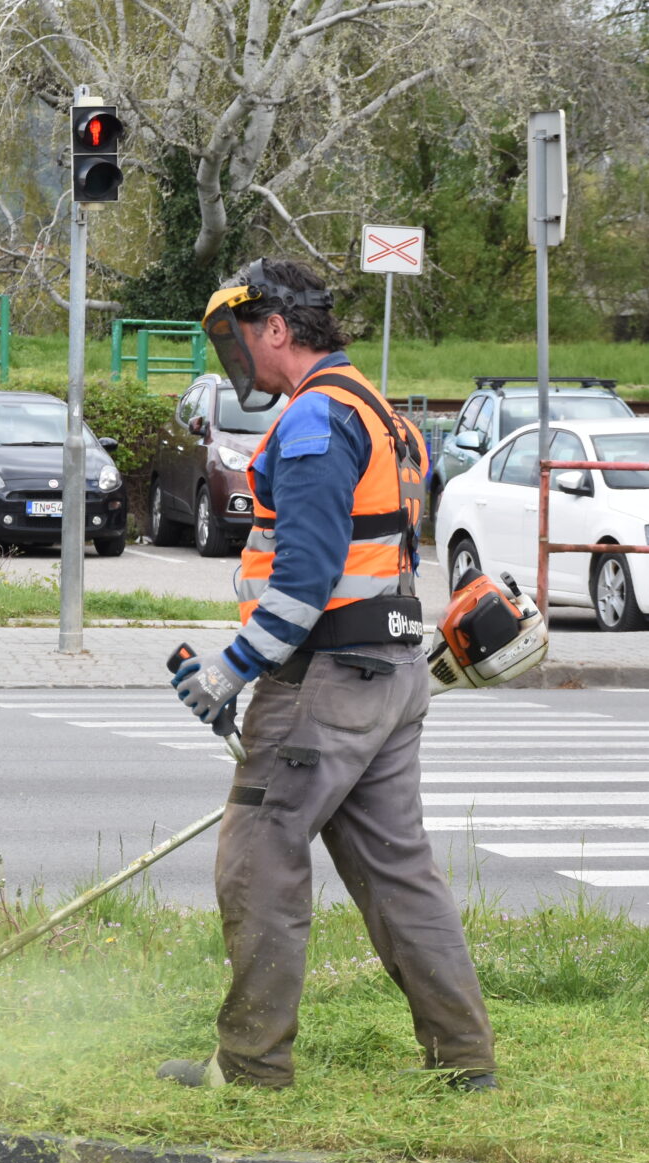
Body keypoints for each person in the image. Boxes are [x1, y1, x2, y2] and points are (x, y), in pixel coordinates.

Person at [164, 258, 497, 1091]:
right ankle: (464, 1061)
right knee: (398, 872)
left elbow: (307, 578)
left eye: (238, 339)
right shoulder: (382, 413)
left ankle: (251, 1064)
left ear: (277, 327)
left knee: (258, 857)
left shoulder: (314, 420)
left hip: (325, 680)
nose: (234, 360)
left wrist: (231, 669)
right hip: (388, 673)